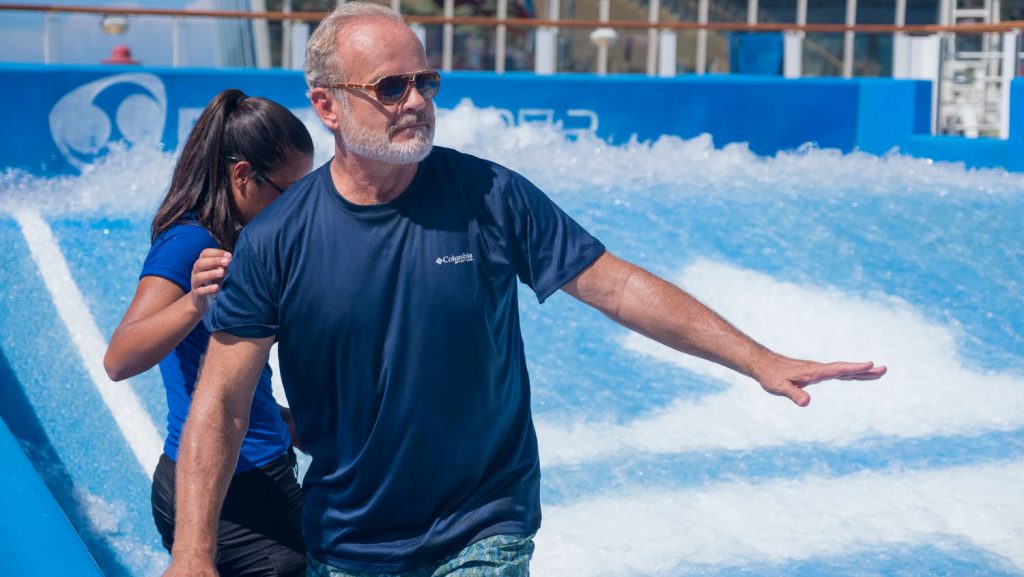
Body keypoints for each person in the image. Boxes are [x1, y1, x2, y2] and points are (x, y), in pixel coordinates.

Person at [163, 4, 887, 577]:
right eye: (391, 87)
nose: (416, 101)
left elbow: (619, 286)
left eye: (426, 82)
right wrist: (193, 553)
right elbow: (222, 405)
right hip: (349, 537)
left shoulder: (491, 196)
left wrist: (757, 358)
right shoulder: (277, 240)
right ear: (327, 105)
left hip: (484, 523)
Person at [104, 88, 314, 577]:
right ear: (243, 177)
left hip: (249, 473)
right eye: (292, 192)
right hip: (231, 496)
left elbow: (225, 371)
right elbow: (120, 357)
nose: (301, 208)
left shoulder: (243, 238)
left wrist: (284, 421)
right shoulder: (190, 242)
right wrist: (195, 303)